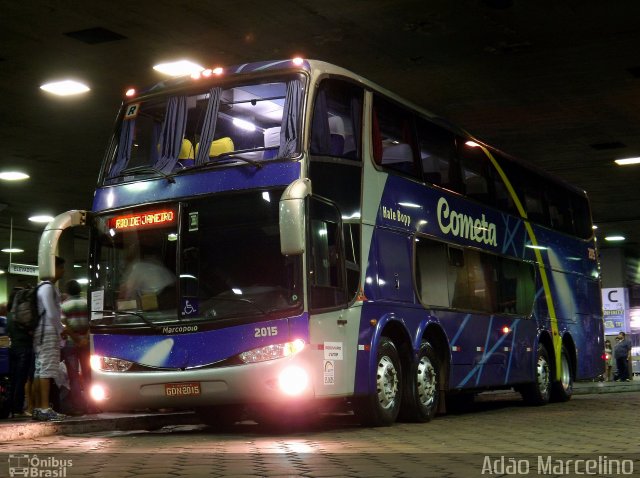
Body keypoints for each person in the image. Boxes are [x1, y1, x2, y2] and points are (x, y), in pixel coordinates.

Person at [32, 256, 67, 421]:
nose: (63, 271)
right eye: (61, 268)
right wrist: (61, 330)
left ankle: (39, 407)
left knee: (40, 370)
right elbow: (52, 313)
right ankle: (44, 408)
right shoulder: (48, 288)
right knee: (46, 371)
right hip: (47, 332)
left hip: (40, 332)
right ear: (54, 268)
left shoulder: (41, 287)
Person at [61, 279, 90, 414]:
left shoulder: (64, 305)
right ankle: (91, 405)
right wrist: (85, 338)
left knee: (73, 376)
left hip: (71, 345)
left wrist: (75, 339)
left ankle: (78, 406)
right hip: (86, 343)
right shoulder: (86, 303)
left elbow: (64, 326)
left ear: (68, 291)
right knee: (87, 375)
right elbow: (93, 322)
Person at [6, 288, 35, 419]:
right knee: (21, 380)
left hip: (13, 349)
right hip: (25, 348)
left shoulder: (10, 315)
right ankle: (17, 408)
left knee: (13, 380)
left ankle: (11, 408)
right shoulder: (23, 315)